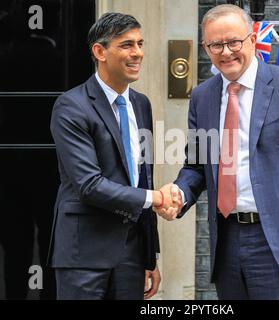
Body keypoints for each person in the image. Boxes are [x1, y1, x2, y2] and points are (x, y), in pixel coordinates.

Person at [155, 4, 279, 300]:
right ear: (205, 47)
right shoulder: (202, 97)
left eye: (234, 42)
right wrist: (179, 193)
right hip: (227, 242)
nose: (225, 52)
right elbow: (197, 166)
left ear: (252, 39)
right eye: (216, 44)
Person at [49, 12, 173, 300]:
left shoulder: (141, 104)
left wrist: (149, 256)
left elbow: (143, 176)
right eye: (127, 45)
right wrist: (156, 198)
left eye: (140, 44)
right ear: (100, 51)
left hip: (130, 255)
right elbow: (89, 184)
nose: (138, 53)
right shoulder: (71, 106)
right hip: (84, 255)